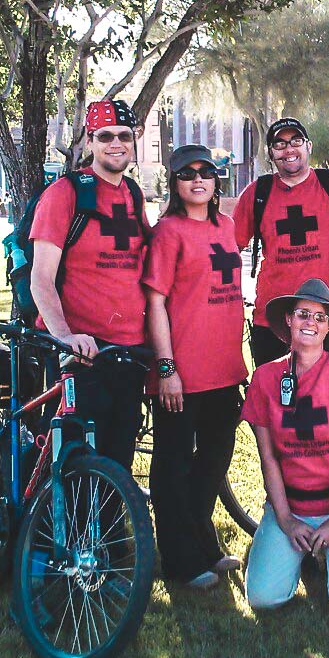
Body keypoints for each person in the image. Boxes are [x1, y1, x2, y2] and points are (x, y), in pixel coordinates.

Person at [241, 279, 329, 610]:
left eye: (320, 318)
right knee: (263, 598)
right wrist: (286, 519)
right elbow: (269, 459)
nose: (311, 323)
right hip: (291, 506)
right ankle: (303, 550)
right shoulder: (265, 379)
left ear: (328, 328)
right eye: (304, 314)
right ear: (289, 319)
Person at [143, 144, 248, 588]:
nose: (198, 180)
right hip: (180, 374)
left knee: (213, 462)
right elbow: (155, 301)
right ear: (175, 183)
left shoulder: (226, 225)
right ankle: (179, 562)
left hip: (225, 370)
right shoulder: (168, 231)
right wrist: (167, 369)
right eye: (187, 174)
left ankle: (204, 544)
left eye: (206, 172)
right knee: (173, 468)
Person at [28, 99, 151, 472]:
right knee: (74, 465)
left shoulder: (133, 193)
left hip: (128, 351)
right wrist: (65, 336)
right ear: (90, 142)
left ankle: (113, 531)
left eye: (124, 136)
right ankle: (59, 530)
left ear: (135, 139)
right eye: (106, 136)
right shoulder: (65, 194)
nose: (116, 143)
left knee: (119, 462)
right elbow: (41, 278)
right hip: (79, 353)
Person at [234, 118, 329, 368]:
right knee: (275, 402)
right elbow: (228, 247)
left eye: (296, 141)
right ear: (271, 153)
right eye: (279, 144)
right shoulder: (257, 193)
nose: (289, 149)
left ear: (309, 146)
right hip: (273, 322)